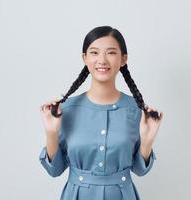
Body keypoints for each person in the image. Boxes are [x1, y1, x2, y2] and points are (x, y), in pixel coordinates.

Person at [39, 25, 164, 200]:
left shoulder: (136, 111)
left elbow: (139, 170)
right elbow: (54, 170)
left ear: (123, 59)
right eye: (94, 52)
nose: (102, 60)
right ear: (84, 58)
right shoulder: (65, 109)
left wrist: (148, 140)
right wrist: (51, 133)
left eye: (111, 53)